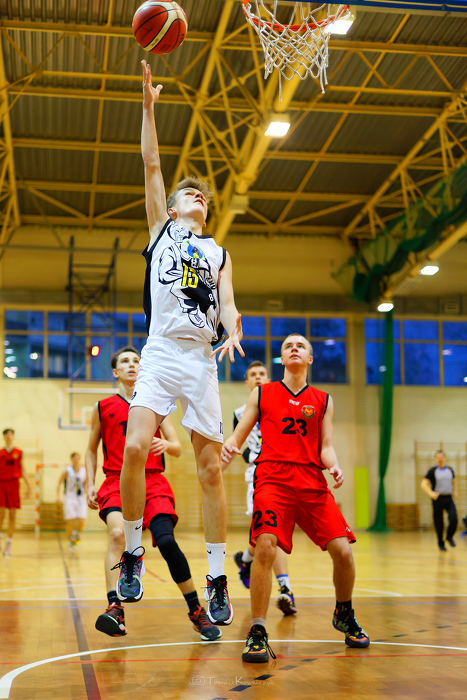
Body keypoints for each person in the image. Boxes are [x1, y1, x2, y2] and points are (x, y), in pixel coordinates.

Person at [115, 59, 244, 627]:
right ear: (172, 208)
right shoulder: (161, 230)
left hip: (201, 359)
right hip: (163, 350)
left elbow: (228, 301)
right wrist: (148, 109)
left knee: (210, 469)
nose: (198, 197)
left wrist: (234, 326)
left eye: (203, 196)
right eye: (189, 193)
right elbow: (151, 163)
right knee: (135, 447)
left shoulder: (219, 252)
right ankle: (132, 556)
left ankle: (217, 578)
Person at [222, 333, 370, 663]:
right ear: (282, 358)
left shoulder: (323, 400)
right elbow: (239, 434)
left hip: (311, 481)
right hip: (272, 478)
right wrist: (228, 447)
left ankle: (344, 613)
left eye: (301, 346)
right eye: (288, 345)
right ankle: (257, 631)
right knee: (265, 546)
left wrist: (334, 465)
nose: (294, 348)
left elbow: (326, 446)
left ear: (310, 359)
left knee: (344, 552)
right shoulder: (262, 393)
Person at [86, 346, 221, 642]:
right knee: (117, 535)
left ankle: (196, 610)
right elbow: (90, 450)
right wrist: (89, 483)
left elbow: (177, 447)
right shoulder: (102, 407)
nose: (132, 364)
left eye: (136, 360)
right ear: (115, 371)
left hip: (154, 482)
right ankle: (115, 607)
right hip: (116, 481)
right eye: (125, 361)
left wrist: (167, 445)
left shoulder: (157, 404)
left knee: (167, 542)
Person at [231, 360, 297, 616]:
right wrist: (257, 455)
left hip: (285, 476)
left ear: (269, 379)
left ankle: (245, 559)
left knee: (267, 537)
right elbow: (239, 447)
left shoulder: (283, 407)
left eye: (262, 374)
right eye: (253, 375)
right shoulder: (240, 413)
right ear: (247, 382)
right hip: (258, 476)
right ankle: (285, 589)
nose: (258, 377)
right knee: (271, 535)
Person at [0, 428, 31, 557]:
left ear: (13, 437)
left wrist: (28, 485)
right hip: (2, 483)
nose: (9, 436)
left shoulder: (18, 452)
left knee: (12, 514)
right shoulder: (1, 453)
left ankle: (9, 542)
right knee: (1, 513)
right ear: (4, 437)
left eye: (11, 434)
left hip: (13, 484)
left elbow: (22, 469)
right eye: (7, 434)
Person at [421, 450, 458, 551]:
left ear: (444, 458)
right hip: (437, 498)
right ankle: (441, 543)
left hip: (448, 498)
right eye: (438, 457)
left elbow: (454, 481)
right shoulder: (432, 471)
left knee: (454, 518)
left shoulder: (450, 470)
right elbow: (423, 484)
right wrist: (431, 493)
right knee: (439, 522)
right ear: (435, 459)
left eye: (441, 457)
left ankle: (449, 537)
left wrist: (455, 491)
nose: (440, 459)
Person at [57, 452, 87, 550]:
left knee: (82, 521)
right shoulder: (67, 471)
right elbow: (59, 483)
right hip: (69, 498)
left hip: (80, 498)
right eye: (74, 458)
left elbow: (86, 484)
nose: (76, 459)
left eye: (77, 458)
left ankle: (75, 533)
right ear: (71, 459)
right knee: (70, 521)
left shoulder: (84, 471)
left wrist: (88, 492)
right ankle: (71, 540)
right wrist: (58, 496)